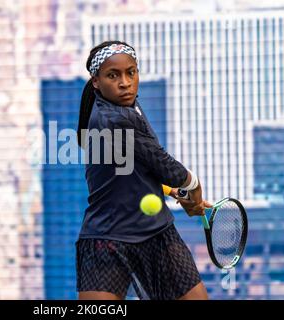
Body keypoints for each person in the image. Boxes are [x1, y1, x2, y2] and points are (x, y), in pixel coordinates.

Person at [75, 40, 212, 300]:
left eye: (131, 72)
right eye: (113, 76)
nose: (125, 82)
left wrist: (174, 192)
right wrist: (192, 188)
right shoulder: (114, 118)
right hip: (108, 240)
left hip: (157, 235)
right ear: (96, 81)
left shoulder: (128, 105)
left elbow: (134, 170)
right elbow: (165, 166)